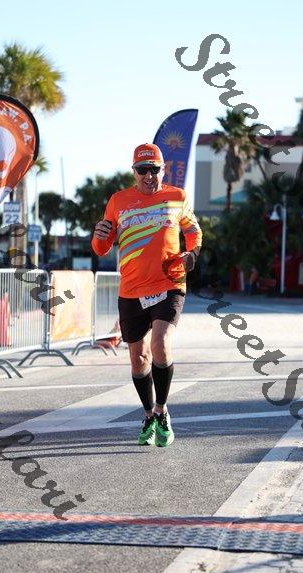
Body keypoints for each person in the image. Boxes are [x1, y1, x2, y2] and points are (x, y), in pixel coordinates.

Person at [92, 143, 202, 447]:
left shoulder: (177, 197)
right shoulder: (118, 201)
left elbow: (193, 231)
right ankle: (148, 415)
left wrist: (192, 253)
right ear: (134, 172)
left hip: (169, 283)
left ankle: (162, 410)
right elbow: (102, 247)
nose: (149, 176)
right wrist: (98, 238)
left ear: (163, 170)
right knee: (138, 358)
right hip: (132, 289)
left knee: (161, 344)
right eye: (143, 170)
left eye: (154, 169)